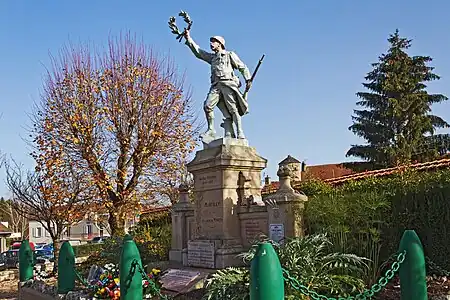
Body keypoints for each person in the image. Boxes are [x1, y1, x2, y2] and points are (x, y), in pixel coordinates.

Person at [184, 29, 252, 140]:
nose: (211, 44)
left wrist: (248, 79)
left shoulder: (229, 55)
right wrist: (188, 38)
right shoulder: (212, 58)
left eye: (214, 42)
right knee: (207, 106)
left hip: (227, 84)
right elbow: (199, 52)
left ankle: (240, 132)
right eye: (211, 42)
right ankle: (211, 130)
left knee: (233, 109)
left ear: (220, 44)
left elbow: (242, 67)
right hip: (216, 86)